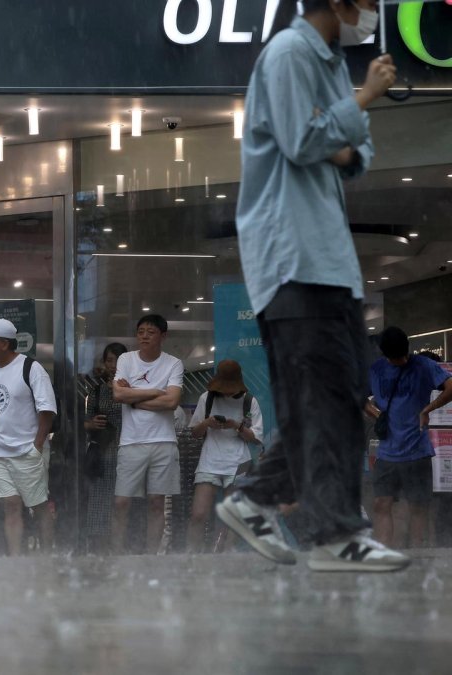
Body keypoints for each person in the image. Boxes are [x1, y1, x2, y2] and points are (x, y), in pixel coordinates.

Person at [219, 0, 410, 572]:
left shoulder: (327, 63)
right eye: (371, 1)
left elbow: (357, 153)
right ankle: (332, 534)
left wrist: (341, 124)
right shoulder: (287, 55)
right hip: (292, 257)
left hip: (327, 259)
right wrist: (364, 99)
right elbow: (306, 143)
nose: (376, 9)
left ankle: (256, 498)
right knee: (324, 401)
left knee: (336, 401)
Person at [0, 319, 58, 556]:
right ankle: (15, 559)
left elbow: (47, 409)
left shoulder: (30, 368)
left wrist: (37, 446)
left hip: (27, 451)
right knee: (11, 506)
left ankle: (46, 556)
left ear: (3, 343)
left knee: (39, 505)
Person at [365, 327, 452, 549]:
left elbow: (450, 386)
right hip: (387, 452)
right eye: (395, 358)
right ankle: (385, 551)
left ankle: (417, 554)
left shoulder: (424, 366)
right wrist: (378, 416)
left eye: (403, 356)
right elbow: (357, 396)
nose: (401, 361)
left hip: (417, 450)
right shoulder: (376, 370)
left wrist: (428, 409)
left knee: (418, 505)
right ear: (385, 355)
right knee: (381, 504)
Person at [110, 315, 184, 555]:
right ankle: (117, 554)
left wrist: (136, 398)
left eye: (150, 332)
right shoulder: (126, 359)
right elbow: (119, 396)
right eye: (140, 331)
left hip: (164, 441)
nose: (144, 336)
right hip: (131, 442)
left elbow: (172, 401)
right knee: (121, 502)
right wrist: (154, 392)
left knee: (157, 503)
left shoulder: (173, 363)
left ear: (163, 336)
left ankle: (153, 556)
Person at [186, 361, 264, 553]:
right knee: (198, 513)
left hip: (239, 461)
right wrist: (207, 423)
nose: (227, 392)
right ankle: (191, 555)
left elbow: (255, 439)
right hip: (210, 459)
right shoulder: (207, 398)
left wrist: (236, 426)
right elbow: (194, 432)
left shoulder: (249, 401)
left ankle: (227, 554)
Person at [83, 343, 128, 554]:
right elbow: (84, 421)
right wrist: (90, 424)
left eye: (118, 360)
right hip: (103, 452)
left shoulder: (132, 389)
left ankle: (122, 545)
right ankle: (98, 548)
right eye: (109, 360)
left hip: (127, 450)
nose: (114, 365)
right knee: (99, 502)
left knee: (123, 500)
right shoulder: (97, 390)